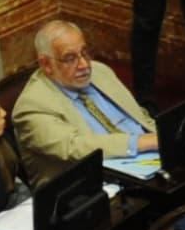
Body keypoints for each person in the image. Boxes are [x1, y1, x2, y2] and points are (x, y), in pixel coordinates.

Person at [11, 16, 155, 173]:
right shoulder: (32, 106)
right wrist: (142, 143)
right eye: (70, 58)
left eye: (84, 53)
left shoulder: (101, 72)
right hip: (96, 183)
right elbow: (75, 147)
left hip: (152, 158)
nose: (84, 65)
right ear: (46, 64)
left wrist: (163, 137)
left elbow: (140, 117)